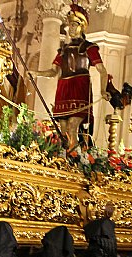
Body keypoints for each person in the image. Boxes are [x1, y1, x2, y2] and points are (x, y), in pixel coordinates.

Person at [30, 4, 110, 151]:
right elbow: (53, 72)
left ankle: (72, 161)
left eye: (74, 25)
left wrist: (103, 90)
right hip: (63, 88)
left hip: (79, 86)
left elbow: (102, 71)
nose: (71, 28)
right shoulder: (63, 51)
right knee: (63, 129)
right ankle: (66, 157)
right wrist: (37, 73)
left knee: (73, 125)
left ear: (82, 26)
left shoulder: (88, 47)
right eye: (70, 25)